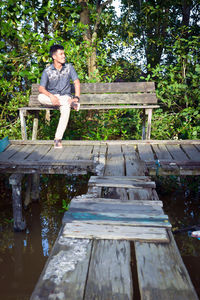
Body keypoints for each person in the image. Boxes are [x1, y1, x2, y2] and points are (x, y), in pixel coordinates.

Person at [38, 44, 80, 149]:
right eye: (61, 54)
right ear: (54, 57)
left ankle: (57, 139)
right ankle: (69, 103)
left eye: (64, 53)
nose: (64, 56)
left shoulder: (69, 68)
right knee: (40, 97)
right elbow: (41, 89)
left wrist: (76, 98)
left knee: (66, 109)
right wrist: (51, 96)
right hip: (53, 98)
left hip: (65, 96)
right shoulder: (47, 71)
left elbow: (76, 82)